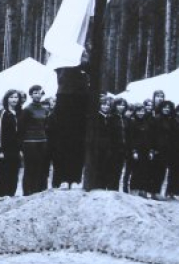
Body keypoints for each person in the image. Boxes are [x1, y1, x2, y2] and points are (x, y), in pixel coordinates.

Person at [50, 55, 89, 188]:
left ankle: (75, 179)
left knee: (78, 144)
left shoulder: (84, 67)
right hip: (64, 99)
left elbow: (88, 65)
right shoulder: (62, 63)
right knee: (63, 143)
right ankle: (63, 179)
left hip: (80, 101)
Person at [18, 85, 49, 195]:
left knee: (40, 167)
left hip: (42, 141)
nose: (37, 95)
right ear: (31, 95)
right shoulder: (27, 110)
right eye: (34, 93)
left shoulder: (44, 109)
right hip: (30, 143)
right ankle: (28, 192)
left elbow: (45, 125)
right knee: (30, 168)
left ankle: (38, 191)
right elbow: (21, 128)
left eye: (39, 92)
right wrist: (21, 146)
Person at [0, 89, 21, 198]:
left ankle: (11, 195)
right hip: (4, 149)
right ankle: (0, 196)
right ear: (7, 99)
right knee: (4, 173)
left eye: (16, 97)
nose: (14, 100)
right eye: (11, 97)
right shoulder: (3, 113)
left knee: (14, 173)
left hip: (16, 149)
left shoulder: (19, 113)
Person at [85, 95, 114, 191]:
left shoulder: (110, 118)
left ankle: (103, 185)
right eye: (103, 105)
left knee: (106, 166)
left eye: (107, 105)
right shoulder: (96, 117)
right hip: (97, 146)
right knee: (97, 165)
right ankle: (96, 185)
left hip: (107, 145)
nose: (105, 107)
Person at [150, 100, 175, 199]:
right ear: (161, 108)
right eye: (165, 107)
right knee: (156, 171)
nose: (166, 109)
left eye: (168, 108)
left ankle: (157, 192)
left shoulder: (170, 120)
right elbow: (152, 135)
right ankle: (153, 192)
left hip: (167, 149)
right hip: (157, 150)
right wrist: (153, 148)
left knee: (162, 172)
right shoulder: (157, 119)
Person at [128, 103, 153, 198]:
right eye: (138, 111)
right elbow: (131, 138)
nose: (140, 113)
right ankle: (134, 189)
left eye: (142, 111)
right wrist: (134, 151)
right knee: (136, 171)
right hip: (137, 151)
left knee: (145, 171)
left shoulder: (147, 123)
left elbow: (150, 138)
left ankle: (143, 190)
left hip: (146, 150)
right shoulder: (132, 122)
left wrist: (150, 151)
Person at [108, 97, 129, 192]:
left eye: (123, 105)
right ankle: (110, 187)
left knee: (119, 169)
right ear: (115, 106)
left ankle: (115, 188)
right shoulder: (111, 118)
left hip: (123, 148)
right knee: (111, 167)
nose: (121, 107)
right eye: (119, 105)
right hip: (113, 147)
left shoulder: (126, 119)